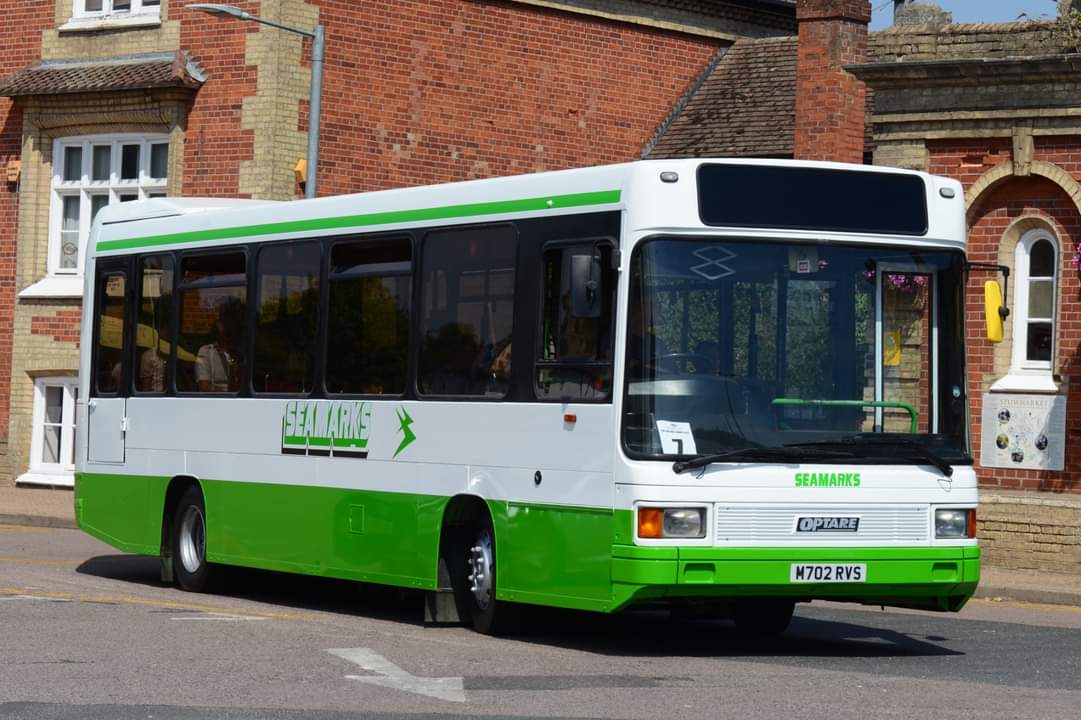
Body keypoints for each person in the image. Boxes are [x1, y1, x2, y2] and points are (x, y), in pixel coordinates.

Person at [195, 299, 244, 392]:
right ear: (219, 325)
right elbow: (204, 387)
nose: (231, 327)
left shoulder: (242, 353)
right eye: (227, 322)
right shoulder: (207, 352)